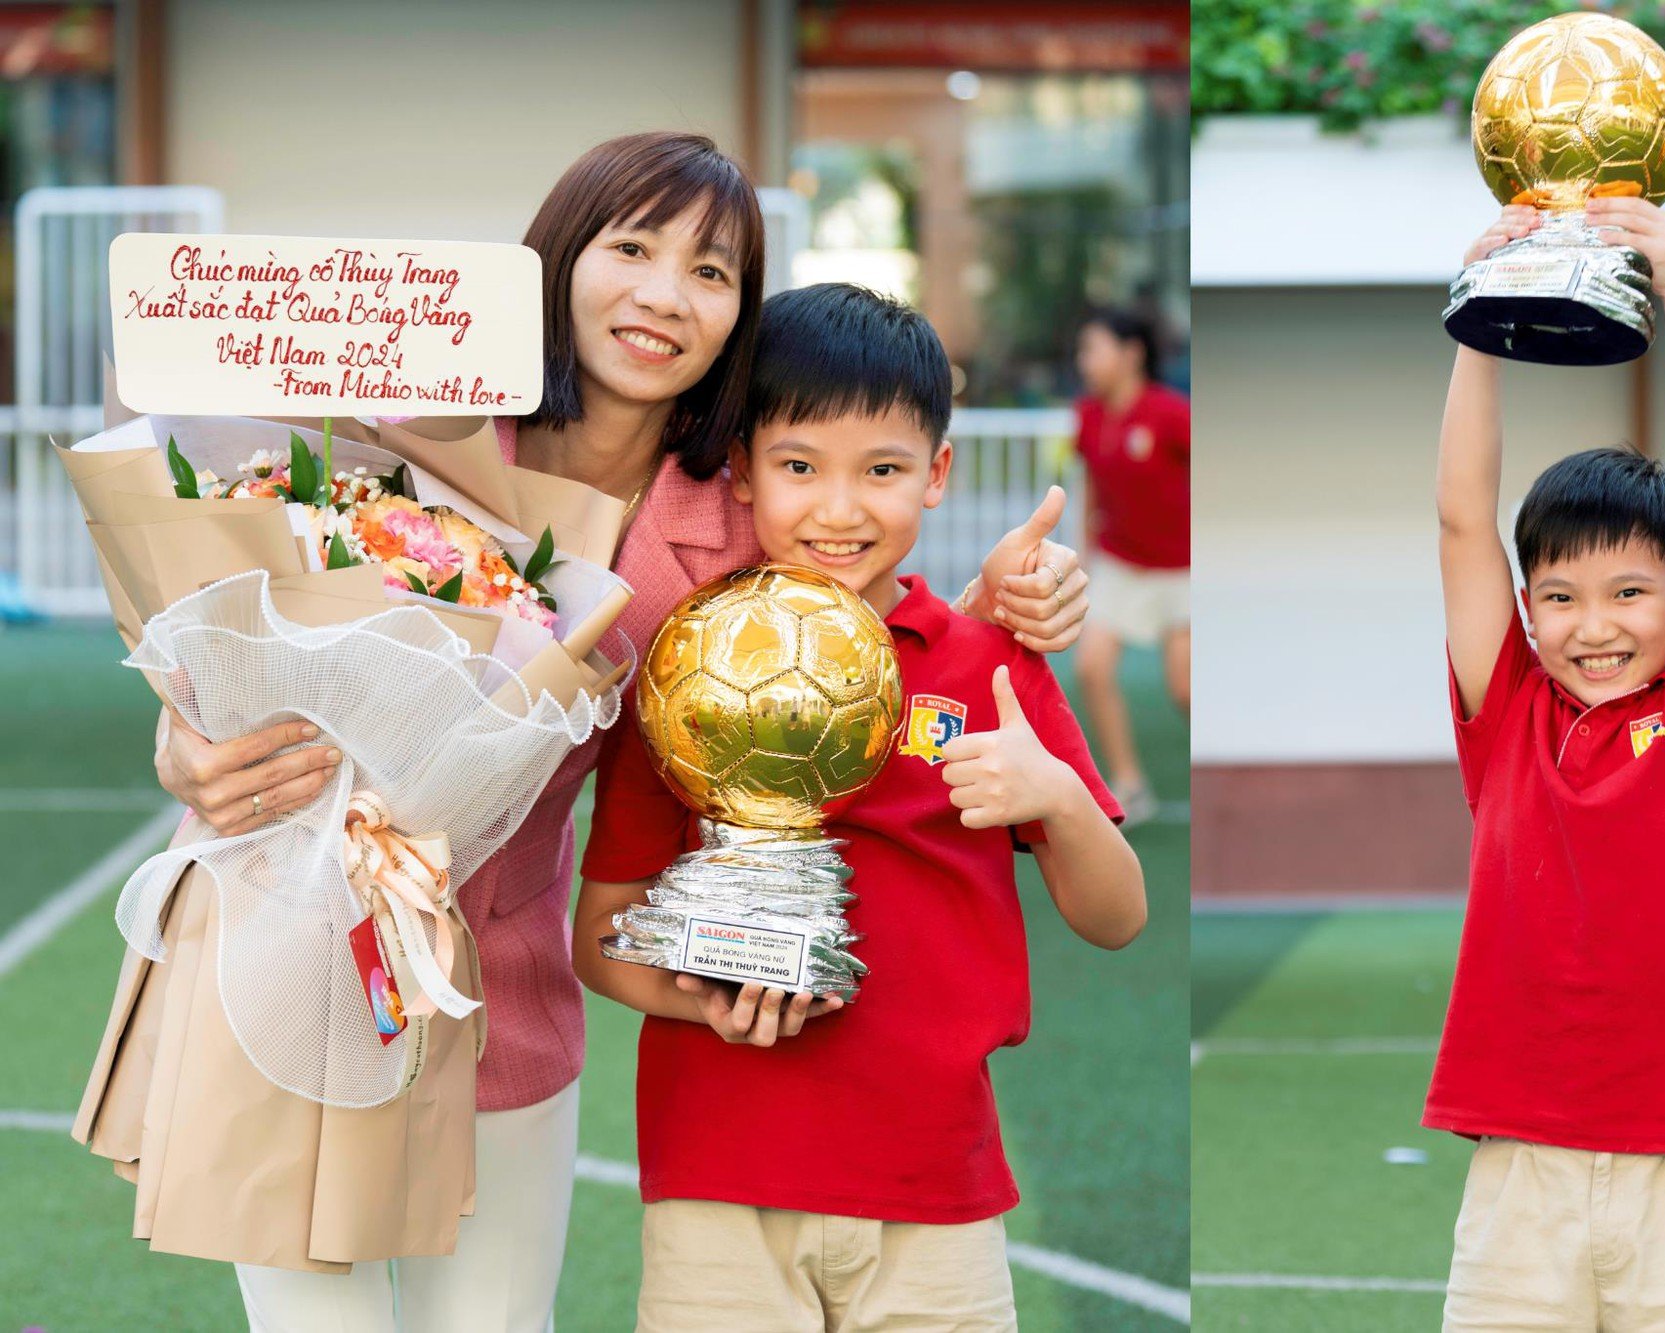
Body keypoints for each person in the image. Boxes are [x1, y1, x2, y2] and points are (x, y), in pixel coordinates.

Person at [136, 134, 1092, 1332]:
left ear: (739, 312)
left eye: (709, 270)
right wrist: (186, 735)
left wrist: (1002, 596)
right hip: (290, 937)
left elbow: (849, 584)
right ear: (560, 260)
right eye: (629, 247)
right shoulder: (409, 425)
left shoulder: (737, 516)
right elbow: (230, 612)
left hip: (503, 972)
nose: (661, 294)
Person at [573, 283, 1146, 1331]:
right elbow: (598, 937)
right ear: (740, 470)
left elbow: (1116, 917)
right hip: (719, 1186)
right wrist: (701, 994)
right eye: (798, 466)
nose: (839, 510)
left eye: (880, 470)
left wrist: (1057, 795)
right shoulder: (684, 673)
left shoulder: (986, 667)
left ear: (935, 474)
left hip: (937, 1194)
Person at [1429, 200, 1665, 1329]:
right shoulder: (1504, 714)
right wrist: (1478, 325)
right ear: (1526, 608)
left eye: (1629, 592)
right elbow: (1455, 519)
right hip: (1518, 1175)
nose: (1594, 624)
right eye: (1562, 597)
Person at [1071, 307, 1190, 823]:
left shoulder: (1171, 413)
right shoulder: (1089, 415)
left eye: (1093, 348)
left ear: (1131, 353)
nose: (1085, 361)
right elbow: (1091, 487)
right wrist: (1084, 558)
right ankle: (1129, 784)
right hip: (1120, 564)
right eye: (1083, 351)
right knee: (1091, 667)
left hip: (1182, 569)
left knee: (1186, 689)